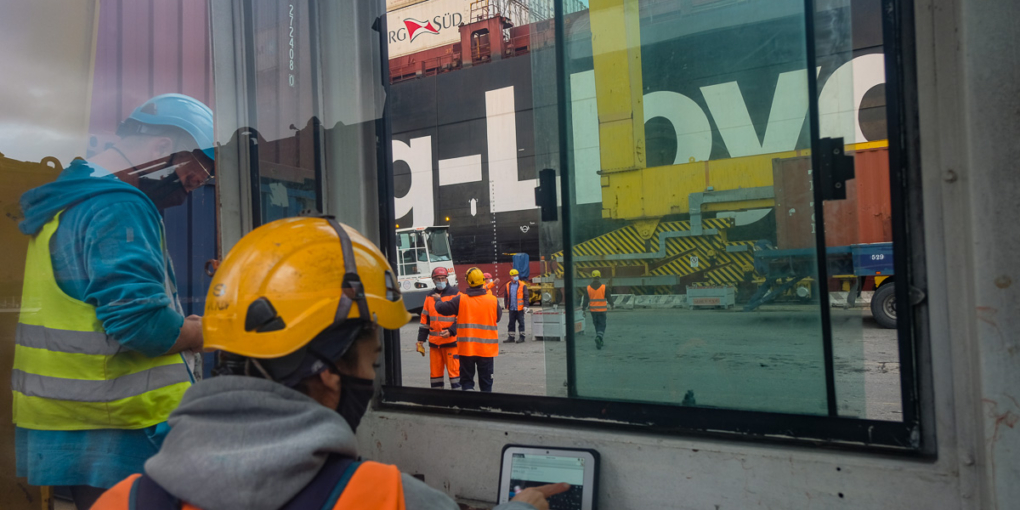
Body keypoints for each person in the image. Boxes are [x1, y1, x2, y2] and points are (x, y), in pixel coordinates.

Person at [90, 217, 566, 510]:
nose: (371, 379)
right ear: (326, 378)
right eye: (371, 363)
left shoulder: (123, 500)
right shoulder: (386, 498)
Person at [12, 93, 214, 509]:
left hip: (71, 417)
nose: (192, 189)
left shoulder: (70, 198)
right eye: (193, 176)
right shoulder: (118, 205)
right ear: (163, 149)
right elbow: (143, 325)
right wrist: (202, 331)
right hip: (122, 421)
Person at [434, 267, 502, 392]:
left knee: (467, 383)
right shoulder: (493, 300)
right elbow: (497, 318)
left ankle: (469, 402)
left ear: (468, 281)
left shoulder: (461, 299)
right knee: (486, 384)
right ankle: (486, 403)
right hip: (486, 350)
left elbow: (441, 309)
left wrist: (438, 299)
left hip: (467, 350)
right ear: (483, 281)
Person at [418, 267, 461, 389]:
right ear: (433, 280)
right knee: (435, 376)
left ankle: (459, 398)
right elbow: (425, 319)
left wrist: (451, 331)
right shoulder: (429, 296)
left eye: (443, 278)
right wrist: (421, 339)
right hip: (435, 344)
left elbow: (461, 318)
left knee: (455, 375)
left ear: (447, 279)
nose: (441, 281)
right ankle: (437, 398)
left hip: (451, 342)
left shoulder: (456, 294)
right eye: (438, 279)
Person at [581, 270, 613, 349]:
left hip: (593, 311)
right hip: (602, 310)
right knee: (602, 324)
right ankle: (599, 337)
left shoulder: (588, 288)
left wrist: (584, 308)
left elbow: (586, 299)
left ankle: (599, 340)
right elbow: (608, 297)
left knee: (596, 325)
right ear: (599, 277)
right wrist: (612, 304)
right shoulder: (604, 287)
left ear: (592, 277)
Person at [502, 269, 530, 343]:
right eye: (514, 275)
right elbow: (506, 296)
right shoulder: (508, 285)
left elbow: (526, 296)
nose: (516, 276)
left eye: (517, 275)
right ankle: (511, 337)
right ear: (511, 277)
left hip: (520, 308)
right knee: (511, 323)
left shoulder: (522, 285)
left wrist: (526, 306)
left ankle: (522, 337)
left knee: (521, 323)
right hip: (512, 308)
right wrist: (506, 305)